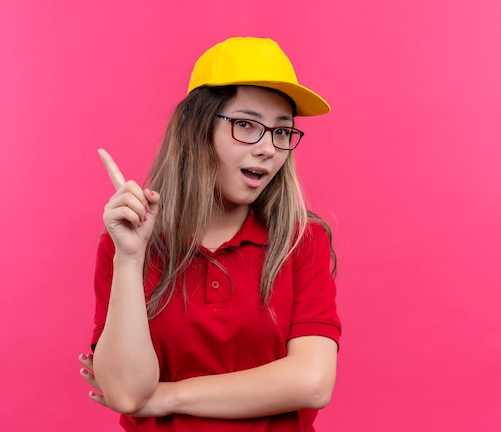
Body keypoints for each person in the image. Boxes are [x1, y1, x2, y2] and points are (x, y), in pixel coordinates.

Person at [78, 36, 341, 432]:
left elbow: (312, 382)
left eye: (282, 132)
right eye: (246, 125)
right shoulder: (127, 245)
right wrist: (130, 257)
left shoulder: (301, 241)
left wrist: (166, 396)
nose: (269, 148)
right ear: (198, 129)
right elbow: (129, 394)